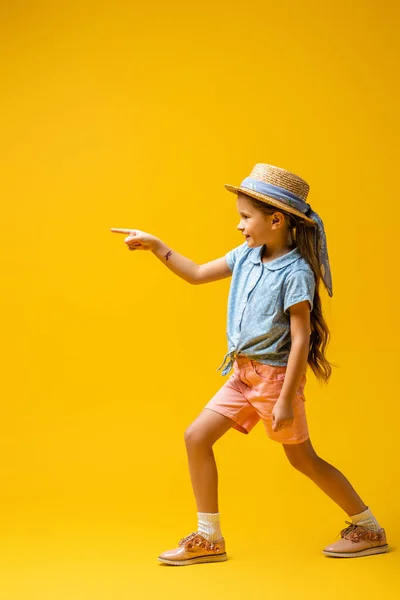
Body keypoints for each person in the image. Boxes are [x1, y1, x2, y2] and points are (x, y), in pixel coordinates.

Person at [111, 163, 388, 566]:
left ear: (276, 220)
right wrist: (158, 246)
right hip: (242, 374)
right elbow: (197, 273)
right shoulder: (246, 255)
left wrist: (287, 399)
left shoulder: (295, 272)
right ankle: (209, 539)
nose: (239, 226)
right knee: (196, 437)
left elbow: (301, 338)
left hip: (275, 380)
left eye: (245, 217)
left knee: (302, 459)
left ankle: (369, 527)